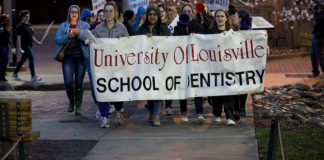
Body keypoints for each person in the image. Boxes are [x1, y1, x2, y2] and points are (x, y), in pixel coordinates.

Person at [92, 2, 129, 128]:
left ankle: (118, 111)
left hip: (118, 66)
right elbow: (94, 45)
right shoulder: (98, 29)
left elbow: (128, 44)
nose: (108, 13)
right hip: (103, 67)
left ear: (115, 13)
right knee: (104, 92)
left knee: (118, 92)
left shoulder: (122, 28)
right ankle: (104, 117)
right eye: (106, 11)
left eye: (110, 11)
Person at [136, 6, 170, 126]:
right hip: (145, 64)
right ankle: (151, 111)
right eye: (150, 14)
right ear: (146, 16)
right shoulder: (141, 29)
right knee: (149, 88)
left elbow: (168, 44)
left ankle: (156, 114)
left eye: (154, 14)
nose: (152, 16)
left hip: (160, 64)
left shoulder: (163, 29)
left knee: (158, 88)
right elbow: (134, 43)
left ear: (158, 16)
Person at [172, 4, 205, 124]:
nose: (187, 13)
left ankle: (200, 113)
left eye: (189, 11)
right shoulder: (177, 27)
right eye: (184, 11)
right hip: (182, 64)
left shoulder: (197, 26)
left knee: (197, 86)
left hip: (196, 62)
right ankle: (184, 112)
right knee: (183, 87)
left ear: (193, 13)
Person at [55, 5, 90, 116]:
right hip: (67, 57)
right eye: (72, 12)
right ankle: (71, 101)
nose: (74, 14)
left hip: (81, 57)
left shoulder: (84, 25)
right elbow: (57, 40)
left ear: (79, 13)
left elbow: (89, 39)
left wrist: (79, 34)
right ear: (69, 13)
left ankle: (78, 106)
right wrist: (67, 36)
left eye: (76, 12)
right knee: (68, 83)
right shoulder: (63, 25)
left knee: (79, 83)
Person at [209, 9, 236, 126]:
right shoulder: (209, 33)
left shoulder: (232, 32)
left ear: (226, 18)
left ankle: (230, 116)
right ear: (215, 19)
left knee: (229, 91)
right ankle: (217, 114)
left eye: (222, 16)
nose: (220, 18)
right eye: (217, 16)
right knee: (217, 91)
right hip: (215, 66)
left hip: (229, 67)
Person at [233, 10, 253, 120]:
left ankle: (242, 107)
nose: (233, 18)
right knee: (236, 85)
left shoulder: (249, 31)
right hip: (235, 62)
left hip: (246, 62)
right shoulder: (233, 30)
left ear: (240, 18)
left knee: (244, 85)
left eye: (235, 16)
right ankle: (236, 109)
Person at [12, 10, 42, 81]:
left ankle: (15, 73)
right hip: (25, 46)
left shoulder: (29, 25)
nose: (27, 18)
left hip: (30, 45)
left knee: (22, 60)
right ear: (22, 18)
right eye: (25, 17)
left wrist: (37, 42)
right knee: (31, 58)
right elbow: (18, 38)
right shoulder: (19, 26)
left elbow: (31, 36)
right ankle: (33, 76)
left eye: (28, 16)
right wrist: (19, 48)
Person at [310, 4, 324, 78]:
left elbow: (318, 19)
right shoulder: (320, 10)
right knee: (313, 55)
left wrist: (315, 12)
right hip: (316, 34)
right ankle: (315, 72)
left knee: (320, 55)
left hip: (320, 36)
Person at [0, 14, 13, 82]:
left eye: (8, 20)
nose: (7, 21)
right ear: (2, 21)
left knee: (3, 60)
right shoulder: (1, 27)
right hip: (1, 46)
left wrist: (12, 47)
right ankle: (1, 75)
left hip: (6, 46)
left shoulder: (7, 28)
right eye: (6, 20)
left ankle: (2, 75)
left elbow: (9, 38)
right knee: (5, 59)